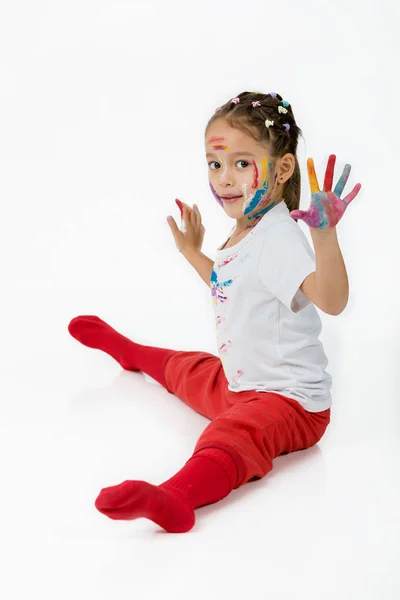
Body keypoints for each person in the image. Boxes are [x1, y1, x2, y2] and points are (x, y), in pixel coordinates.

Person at [68, 91, 361, 533]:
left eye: (242, 163)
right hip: (239, 382)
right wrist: (193, 252)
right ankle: (129, 351)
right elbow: (231, 286)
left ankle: (176, 499)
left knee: (233, 435)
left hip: (290, 402)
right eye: (215, 163)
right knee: (190, 368)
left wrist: (324, 236)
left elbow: (332, 301)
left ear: (282, 170)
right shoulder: (247, 228)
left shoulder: (278, 237)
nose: (225, 178)